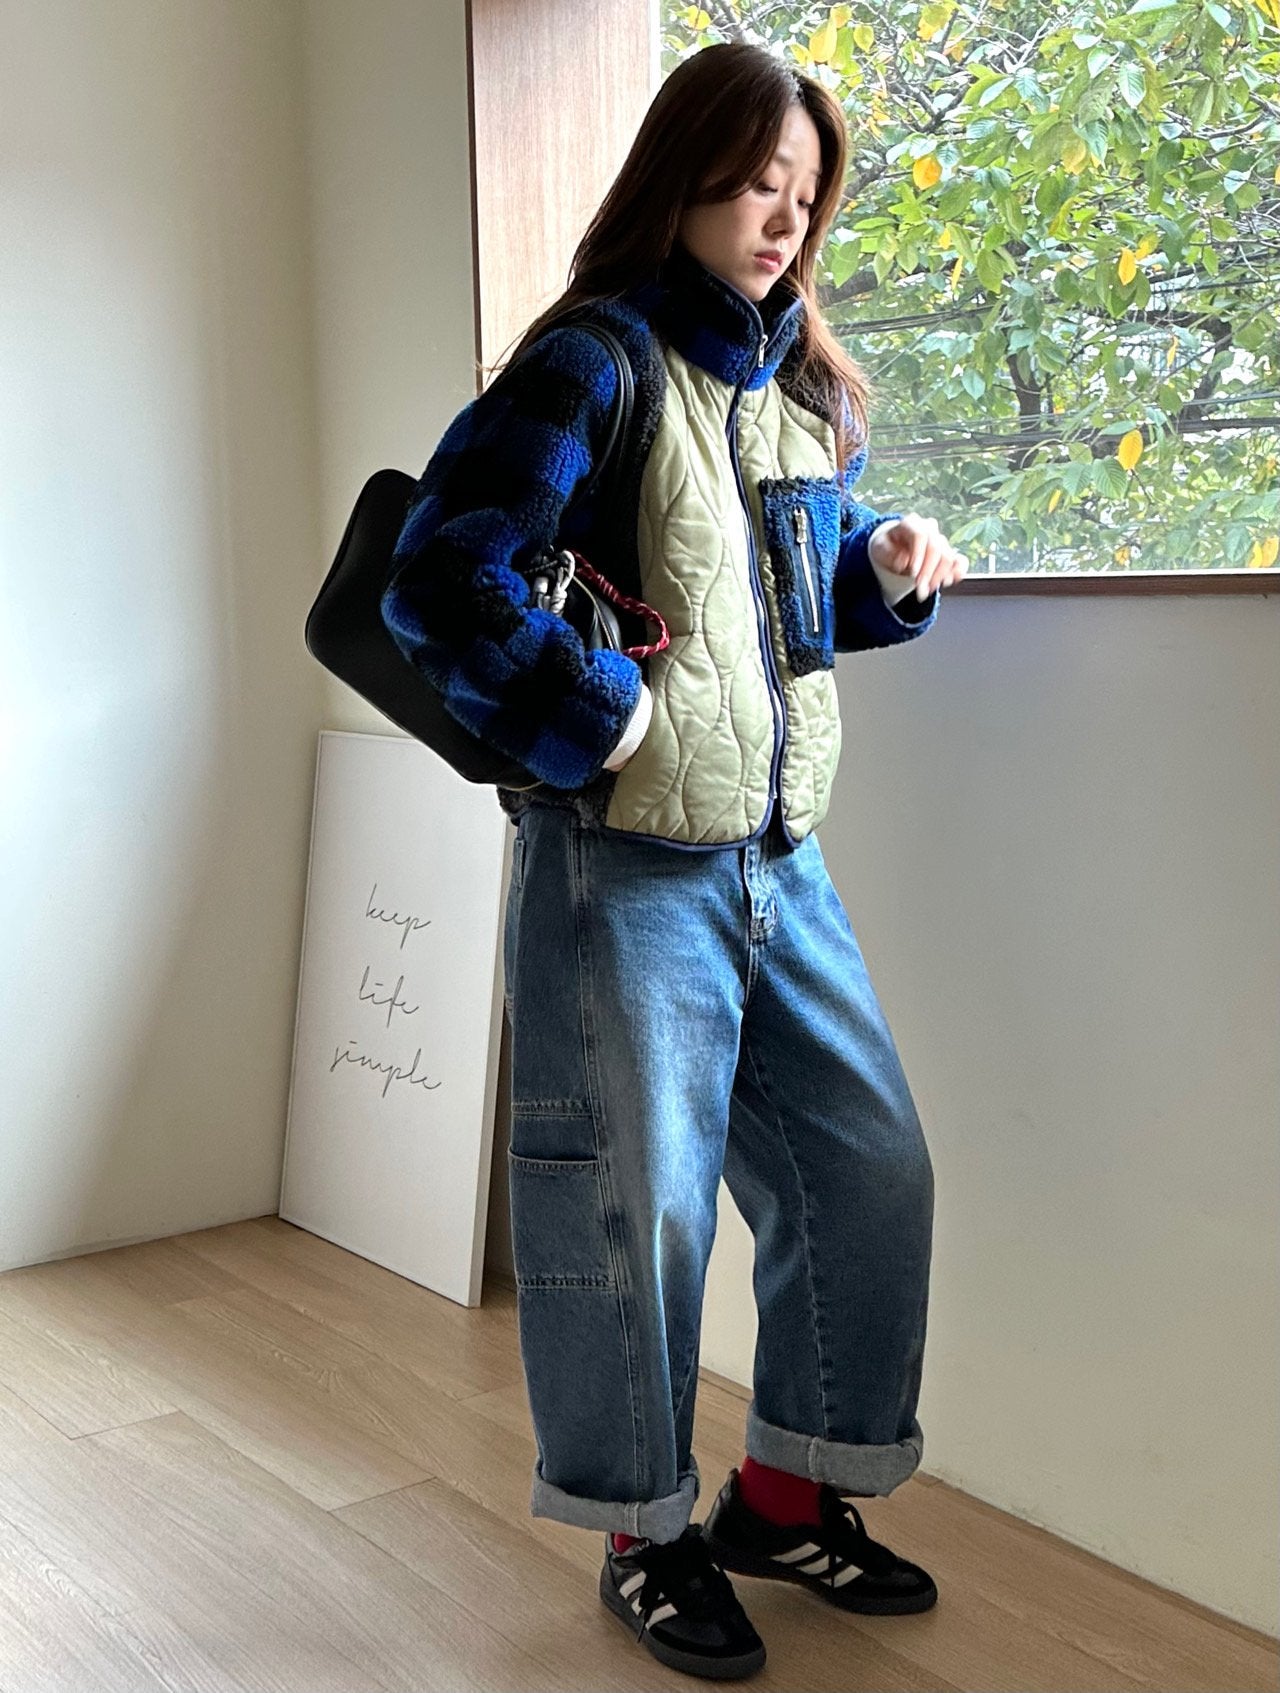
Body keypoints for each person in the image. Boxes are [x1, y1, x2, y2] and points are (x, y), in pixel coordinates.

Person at [382, 39, 970, 1683]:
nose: (782, 219)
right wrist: (600, 715)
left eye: (805, 195)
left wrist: (884, 572)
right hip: (621, 866)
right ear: (681, 172)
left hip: (779, 859)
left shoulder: (797, 390)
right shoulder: (596, 359)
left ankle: (780, 1498)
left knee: (869, 1168)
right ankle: (645, 1533)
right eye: (755, 182)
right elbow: (441, 577)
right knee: (632, 1212)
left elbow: (771, 612)